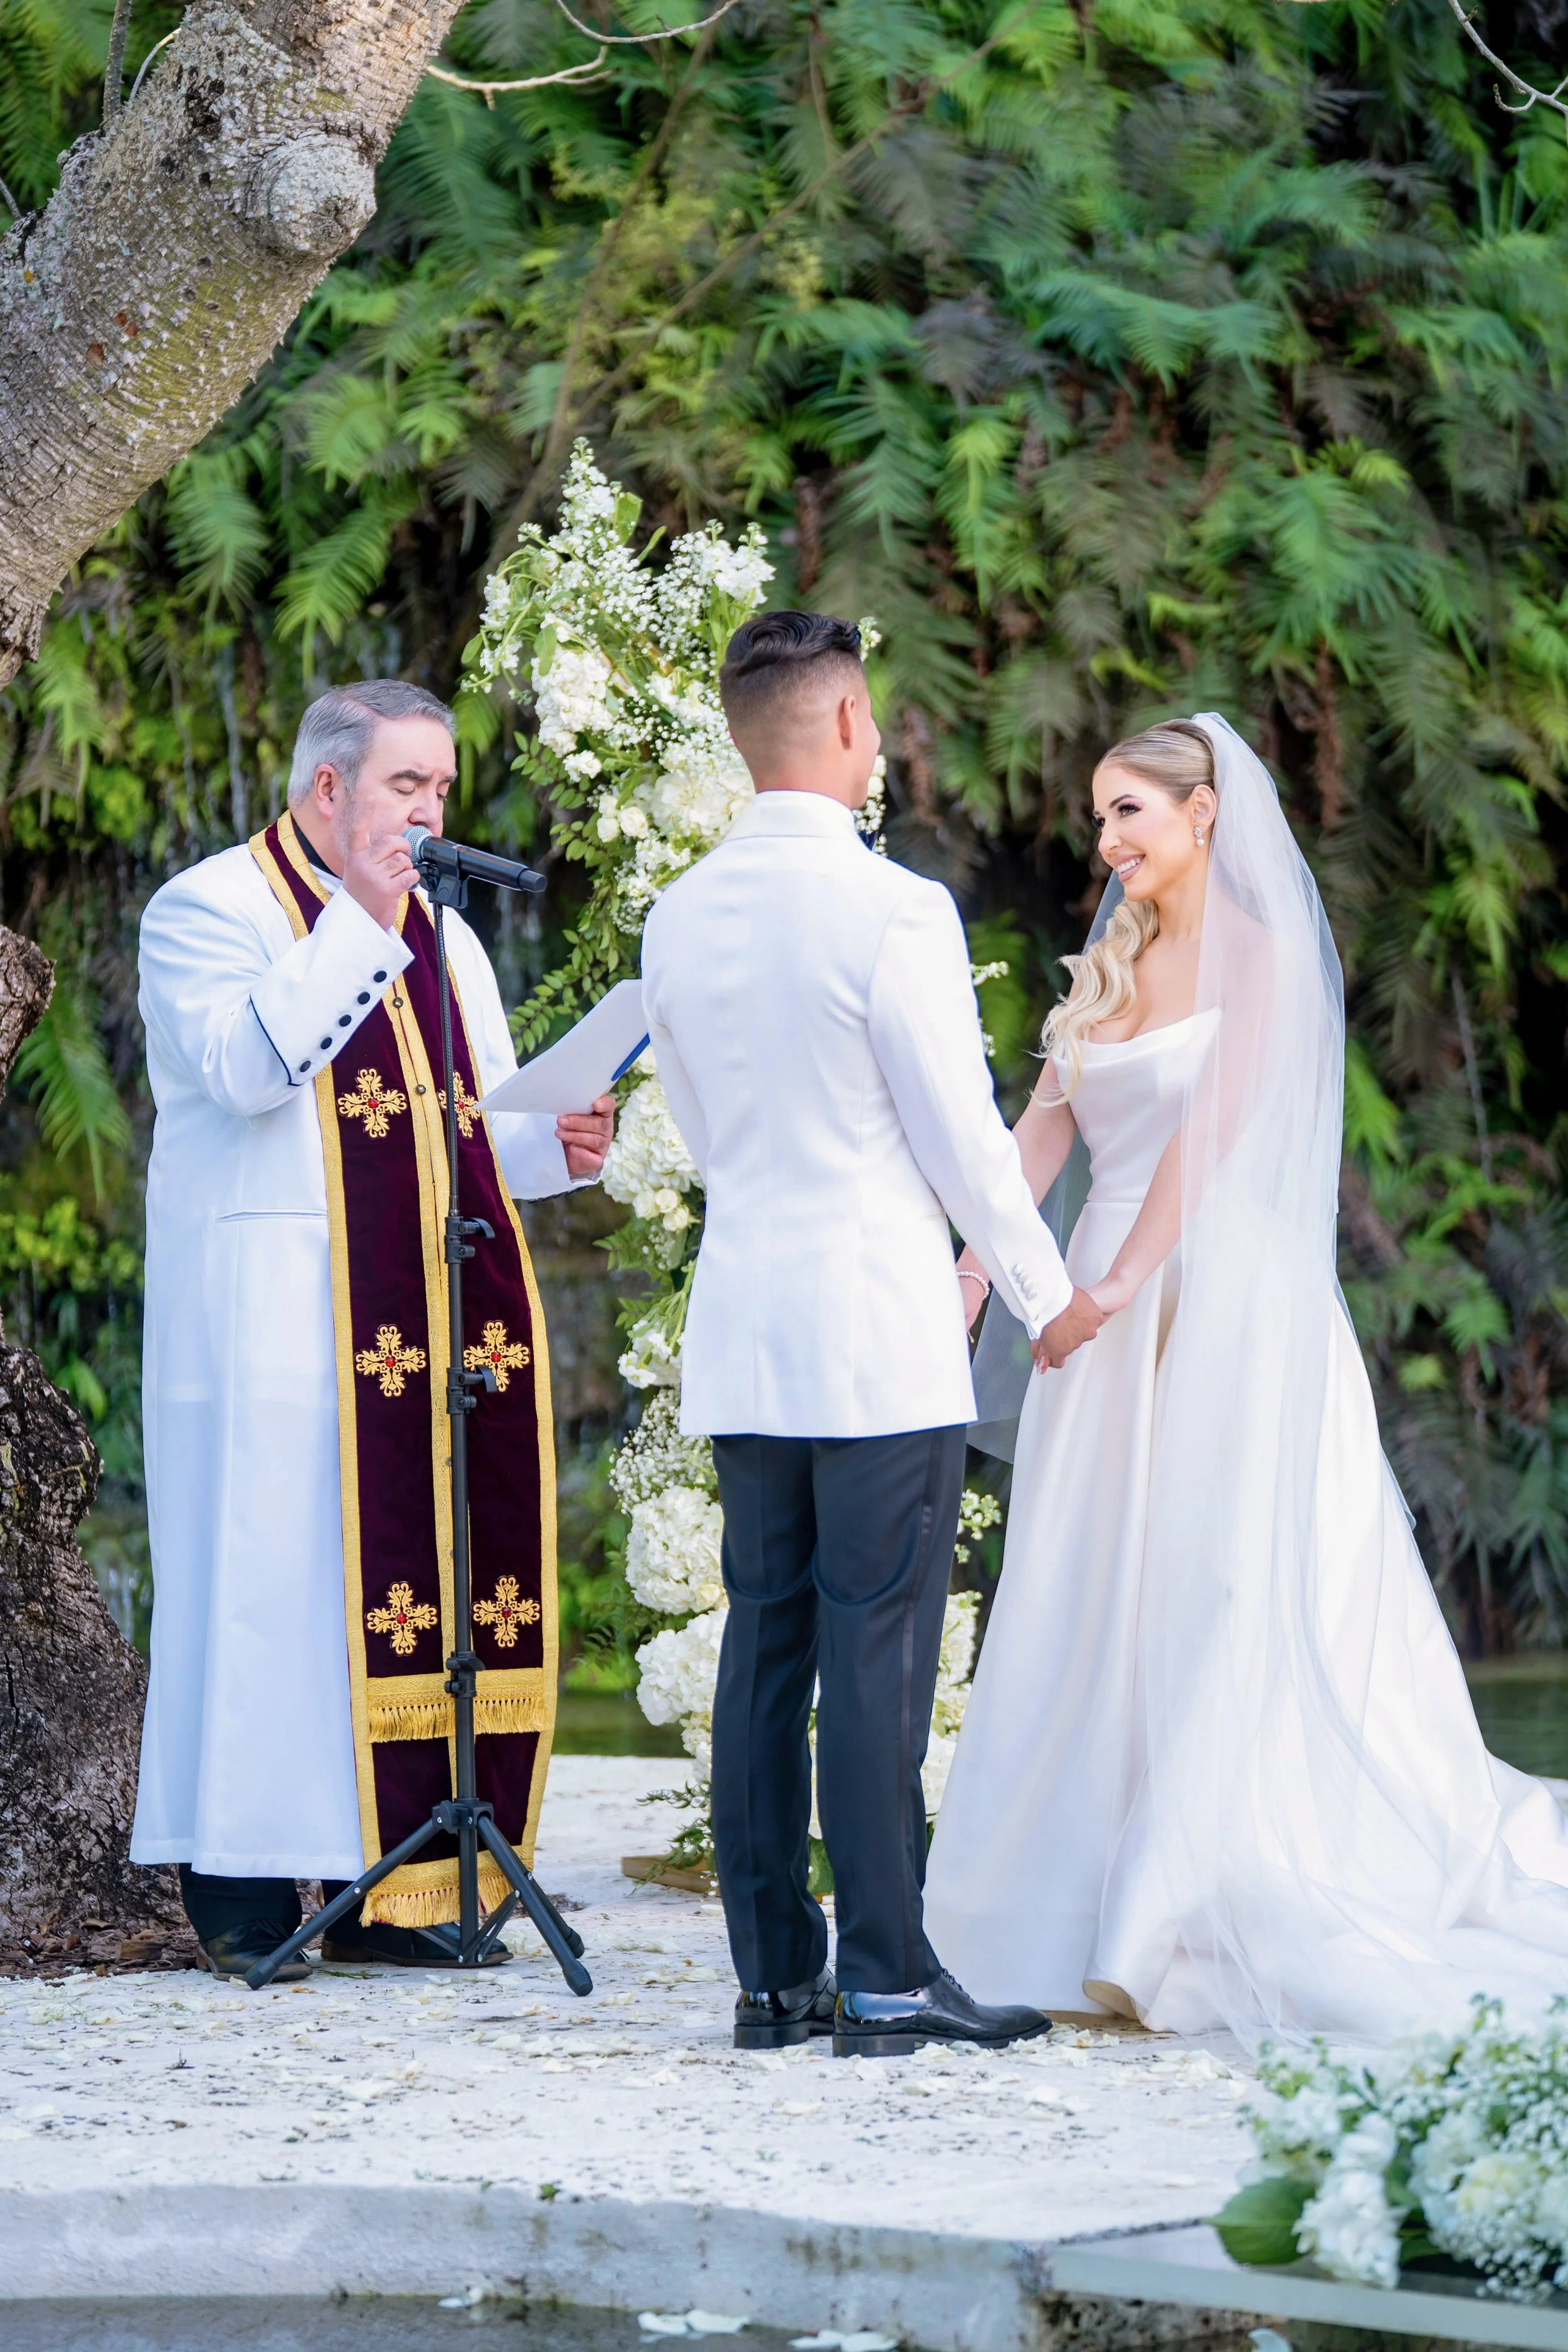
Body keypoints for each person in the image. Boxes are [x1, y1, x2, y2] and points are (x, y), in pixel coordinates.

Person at [925, 712, 1568, 2043]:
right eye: (1098, 817)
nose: (1104, 842)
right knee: (1082, 1576)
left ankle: (1194, 1880)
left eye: (1128, 815)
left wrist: (1111, 1289)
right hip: (1093, 1314)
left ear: (1203, 812)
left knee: (1219, 1576)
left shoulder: (1265, 958)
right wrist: (980, 1266)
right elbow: (1036, 1134)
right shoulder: (1108, 957)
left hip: (1220, 1300)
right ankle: (1049, 1894)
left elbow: (1202, 1150)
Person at [639, 612, 1103, 2058]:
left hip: (747, 1329)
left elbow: (706, 1137)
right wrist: (1048, 1298)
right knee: (878, 1658)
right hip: (874, 1332)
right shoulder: (894, 911)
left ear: (741, 735)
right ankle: (888, 1981)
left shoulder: (678, 913)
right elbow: (961, 1142)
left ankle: (773, 1981)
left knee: (763, 1649)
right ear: (849, 726)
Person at [130, 680, 615, 1980]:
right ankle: (235, 1887)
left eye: (442, 789)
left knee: (397, 1594)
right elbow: (246, 1068)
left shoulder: (443, 940)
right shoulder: (206, 908)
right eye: (407, 787)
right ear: (327, 788)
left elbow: (478, 1134)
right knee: (265, 1596)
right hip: (269, 1326)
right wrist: (370, 918)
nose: (431, 811)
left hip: (413, 1333)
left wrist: (556, 1145)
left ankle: (391, 1887)